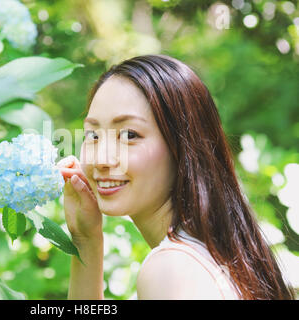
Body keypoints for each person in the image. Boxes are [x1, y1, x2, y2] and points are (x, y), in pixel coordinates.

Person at [56, 54, 295, 300]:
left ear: (181, 147)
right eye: (93, 135)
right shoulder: (216, 256)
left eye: (129, 135)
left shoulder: (171, 270)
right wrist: (86, 240)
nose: (102, 159)